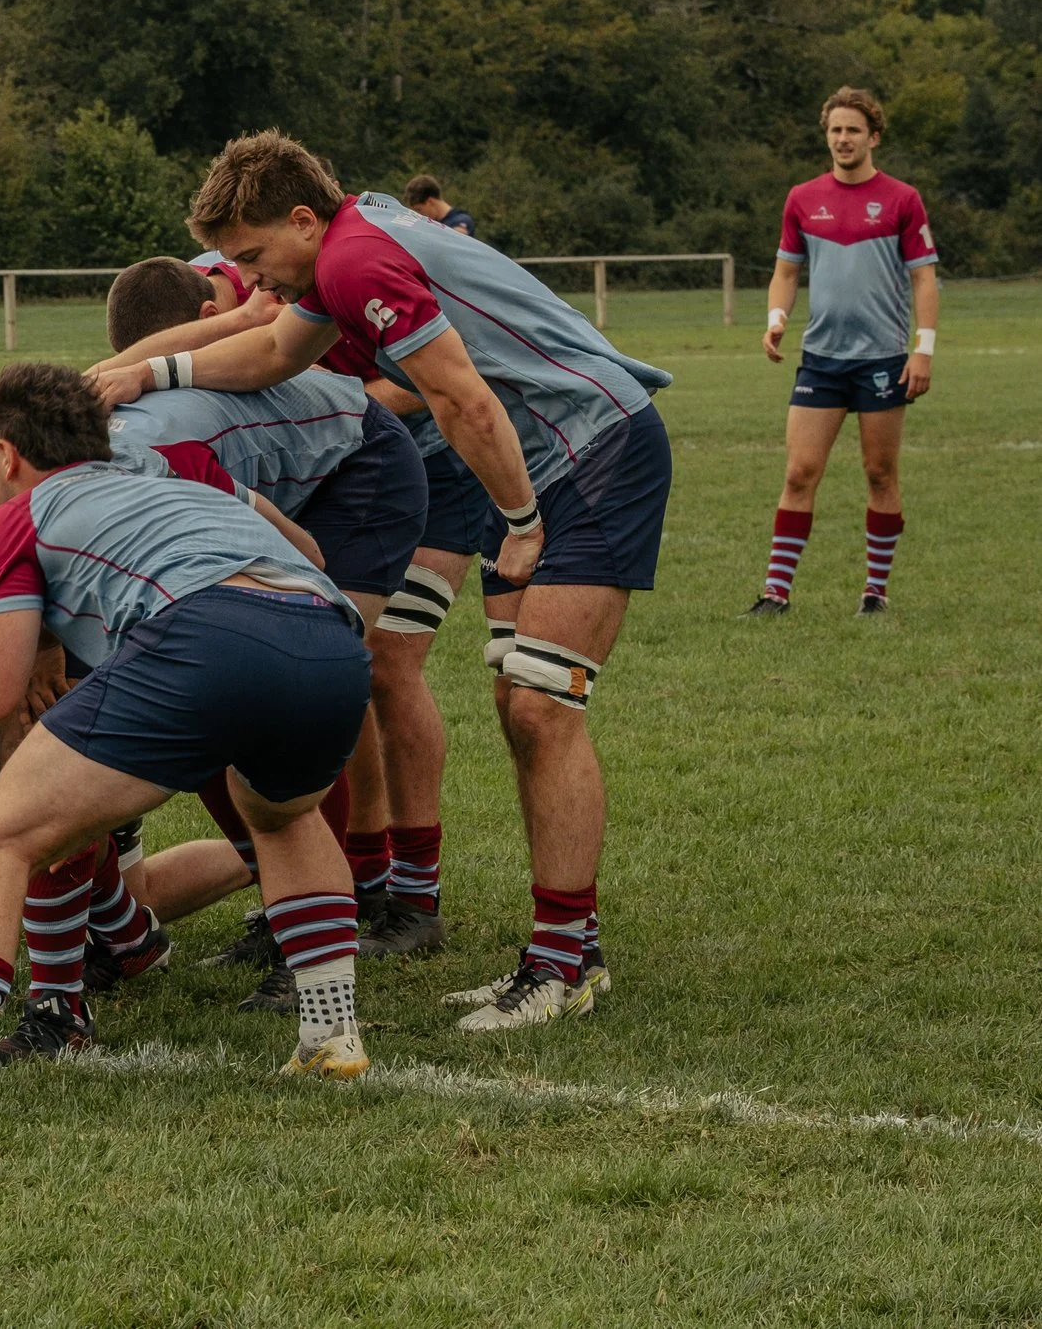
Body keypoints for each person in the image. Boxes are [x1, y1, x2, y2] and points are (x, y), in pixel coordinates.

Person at [99, 130, 674, 1033]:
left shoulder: (358, 256)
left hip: (592, 449)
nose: (251, 277)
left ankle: (563, 962)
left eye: (252, 255)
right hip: (548, 454)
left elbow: (462, 400)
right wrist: (146, 372)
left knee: (539, 705)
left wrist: (522, 526)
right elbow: (270, 351)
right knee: (522, 704)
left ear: (300, 219)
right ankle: (567, 947)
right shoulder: (343, 245)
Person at [0, 362, 373, 1119]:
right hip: (330, 640)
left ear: (4, 455)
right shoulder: (171, 472)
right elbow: (309, 554)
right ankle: (331, 1034)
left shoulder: (18, 513)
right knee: (284, 814)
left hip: (205, 636)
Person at [100, 257, 437, 976]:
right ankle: (299, 893)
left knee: (297, 687)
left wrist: (305, 606)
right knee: (204, 706)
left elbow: (296, 542)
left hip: (364, 469)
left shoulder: (151, 456)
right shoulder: (100, 443)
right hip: (273, 472)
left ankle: (329, 912)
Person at [748, 87, 938, 618]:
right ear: (826, 135)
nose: (843, 138)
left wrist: (921, 351)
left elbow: (924, 280)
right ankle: (775, 595)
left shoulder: (903, 199)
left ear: (873, 137)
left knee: (880, 474)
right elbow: (786, 270)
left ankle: (875, 593)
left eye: (853, 129)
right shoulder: (802, 198)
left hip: (882, 360)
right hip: (821, 361)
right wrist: (776, 319)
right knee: (799, 473)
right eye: (835, 129)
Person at [402, 175, 476, 238]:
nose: (419, 214)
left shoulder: (460, 221)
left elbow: (457, 240)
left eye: (419, 209)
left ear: (430, 202)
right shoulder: (431, 224)